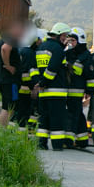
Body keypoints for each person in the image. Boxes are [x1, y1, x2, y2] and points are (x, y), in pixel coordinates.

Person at [35, 22, 71, 150]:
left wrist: (40, 83)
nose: (66, 39)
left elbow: (37, 68)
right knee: (57, 120)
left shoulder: (41, 47)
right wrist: (44, 81)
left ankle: (41, 143)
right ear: (60, 35)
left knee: (44, 119)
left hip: (43, 92)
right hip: (56, 91)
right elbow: (52, 69)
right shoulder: (58, 50)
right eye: (65, 36)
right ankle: (57, 145)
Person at [65, 27, 93, 148]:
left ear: (80, 41)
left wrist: (89, 91)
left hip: (77, 91)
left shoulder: (86, 56)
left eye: (73, 40)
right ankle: (82, 140)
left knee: (72, 115)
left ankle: (69, 141)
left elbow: (91, 76)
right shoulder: (68, 53)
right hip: (67, 90)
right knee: (78, 114)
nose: (71, 43)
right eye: (69, 40)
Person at [0, 21, 25, 127]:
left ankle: (3, 129)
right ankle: (2, 131)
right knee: (8, 107)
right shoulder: (11, 39)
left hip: (3, 78)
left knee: (9, 106)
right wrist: (7, 65)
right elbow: (5, 48)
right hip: (9, 80)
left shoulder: (3, 39)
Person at [16, 28, 45, 129]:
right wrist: (33, 87)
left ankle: (21, 128)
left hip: (20, 86)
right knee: (25, 110)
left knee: (20, 109)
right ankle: (23, 130)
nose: (40, 43)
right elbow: (29, 71)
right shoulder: (29, 53)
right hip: (27, 88)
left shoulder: (21, 49)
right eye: (40, 40)